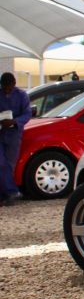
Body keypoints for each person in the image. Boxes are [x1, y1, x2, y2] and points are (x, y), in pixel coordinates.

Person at [0, 73, 32, 205]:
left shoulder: (22, 95)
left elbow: (27, 113)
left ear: (14, 83)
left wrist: (14, 121)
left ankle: (5, 196)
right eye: (4, 87)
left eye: (9, 87)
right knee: (1, 163)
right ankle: (12, 191)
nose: (7, 90)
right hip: (1, 132)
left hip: (14, 133)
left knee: (10, 165)